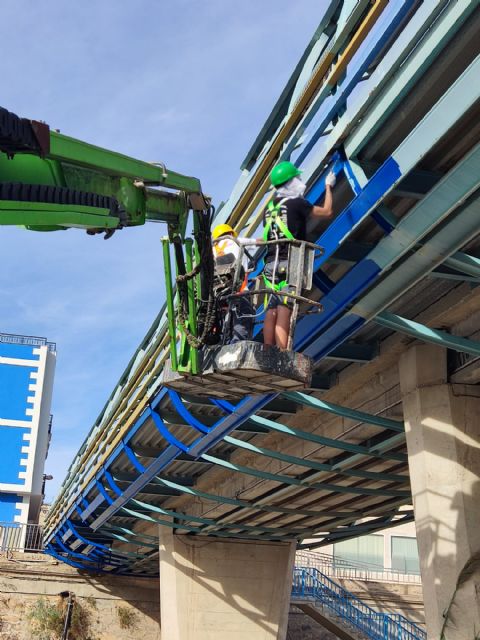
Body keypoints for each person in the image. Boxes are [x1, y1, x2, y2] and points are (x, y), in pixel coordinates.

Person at [262, 161, 336, 349]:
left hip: (270, 265)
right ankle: (283, 353)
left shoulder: (269, 208)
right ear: (291, 181)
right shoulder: (297, 203)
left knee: (271, 310)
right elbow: (326, 211)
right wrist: (328, 186)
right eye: (297, 178)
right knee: (284, 307)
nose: (300, 181)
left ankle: (268, 349)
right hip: (290, 262)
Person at [211, 223, 259, 343]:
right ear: (231, 233)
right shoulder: (236, 241)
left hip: (220, 294)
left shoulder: (212, 251)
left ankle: (226, 345)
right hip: (240, 291)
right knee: (244, 316)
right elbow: (259, 241)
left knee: (225, 324)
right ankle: (238, 345)